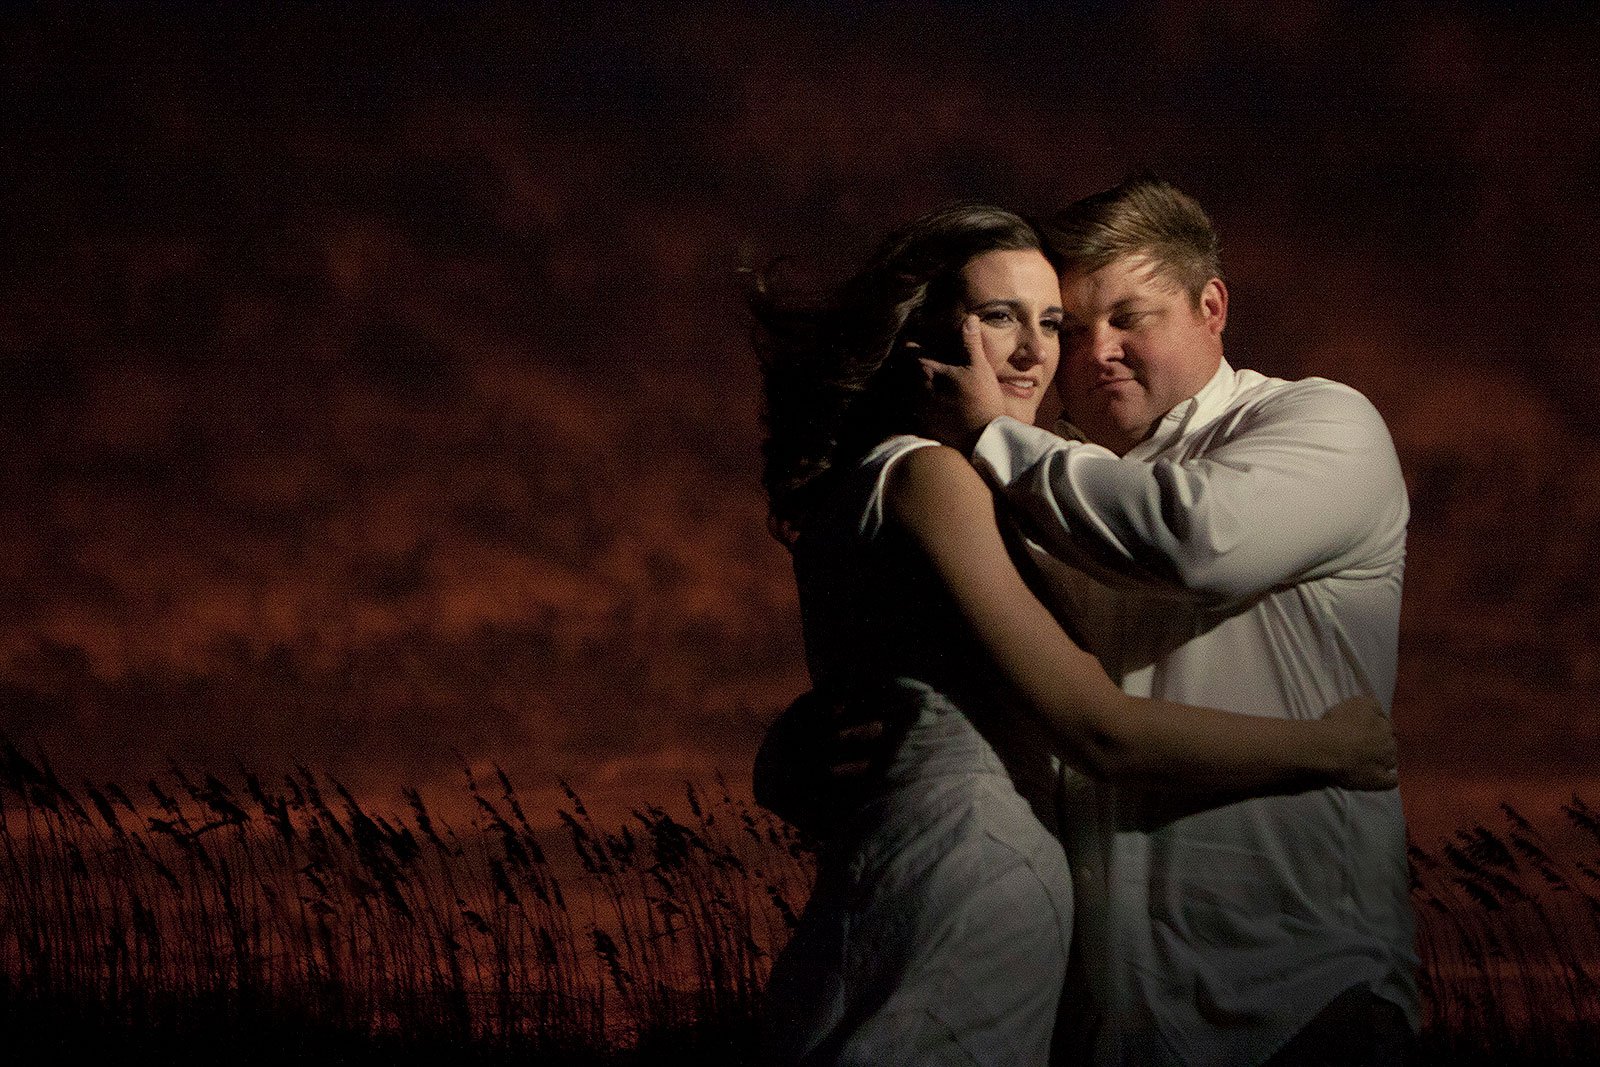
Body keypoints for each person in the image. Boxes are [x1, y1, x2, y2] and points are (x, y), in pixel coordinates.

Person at [752, 203, 1399, 1066]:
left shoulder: (1316, 426)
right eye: (1069, 323)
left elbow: (1193, 540)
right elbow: (1045, 704)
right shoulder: (1023, 483)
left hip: (1299, 992)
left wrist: (995, 431)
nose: (1086, 352)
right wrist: (797, 745)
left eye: (1126, 318)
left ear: (1212, 307)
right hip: (1116, 1017)